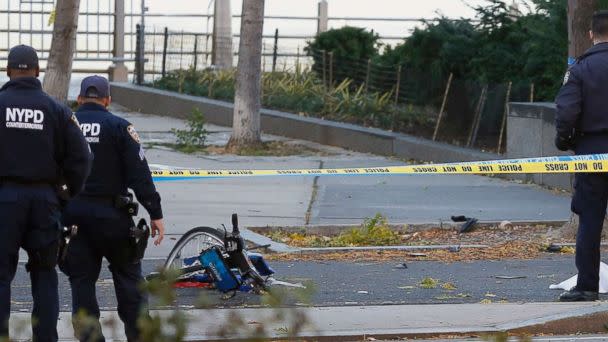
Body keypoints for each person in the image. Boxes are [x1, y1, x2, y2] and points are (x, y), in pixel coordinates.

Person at [60, 75, 165, 341]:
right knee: (129, 283)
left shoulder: (63, 127)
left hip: (74, 220)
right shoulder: (120, 127)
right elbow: (140, 175)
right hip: (114, 219)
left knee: (81, 284)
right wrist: (155, 212)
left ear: (80, 98)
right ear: (107, 100)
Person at [0, 45, 92, 341]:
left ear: (8, 70)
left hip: (4, 202)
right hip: (44, 202)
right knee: (44, 275)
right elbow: (82, 157)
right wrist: (65, 194)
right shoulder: (57, 110)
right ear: (38, 72)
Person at [555, 10, 608, 302]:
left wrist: (565, 141)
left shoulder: (580, 69)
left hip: (592, 152)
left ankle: (587, 286)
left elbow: (566, 111)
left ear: (591, 34)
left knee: (589, 220)